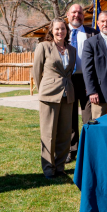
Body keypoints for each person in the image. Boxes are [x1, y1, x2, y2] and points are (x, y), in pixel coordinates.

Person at [32, 18, 76, 179]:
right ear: (51, 31)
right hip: (49, 95)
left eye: (63, 29)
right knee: (48, 133)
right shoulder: (43, 47)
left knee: (65, 134)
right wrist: (43, 89)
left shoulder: (72, 50)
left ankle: (60, 166)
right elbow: (36, 72)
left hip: (67, 95)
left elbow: (69, 72)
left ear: (67, 31)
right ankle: (48, 168)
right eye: (57, 29)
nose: (60, 32)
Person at [66, 4, 97, 163]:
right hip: (69, 80)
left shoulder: (93, 33)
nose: (77, 15)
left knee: (88, 118)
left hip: (87, 81)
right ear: (68, 15)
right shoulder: (62, 32)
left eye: (80, 12)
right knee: (70, 118)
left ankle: (87, 152)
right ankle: (71, 151)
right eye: (74, 12)